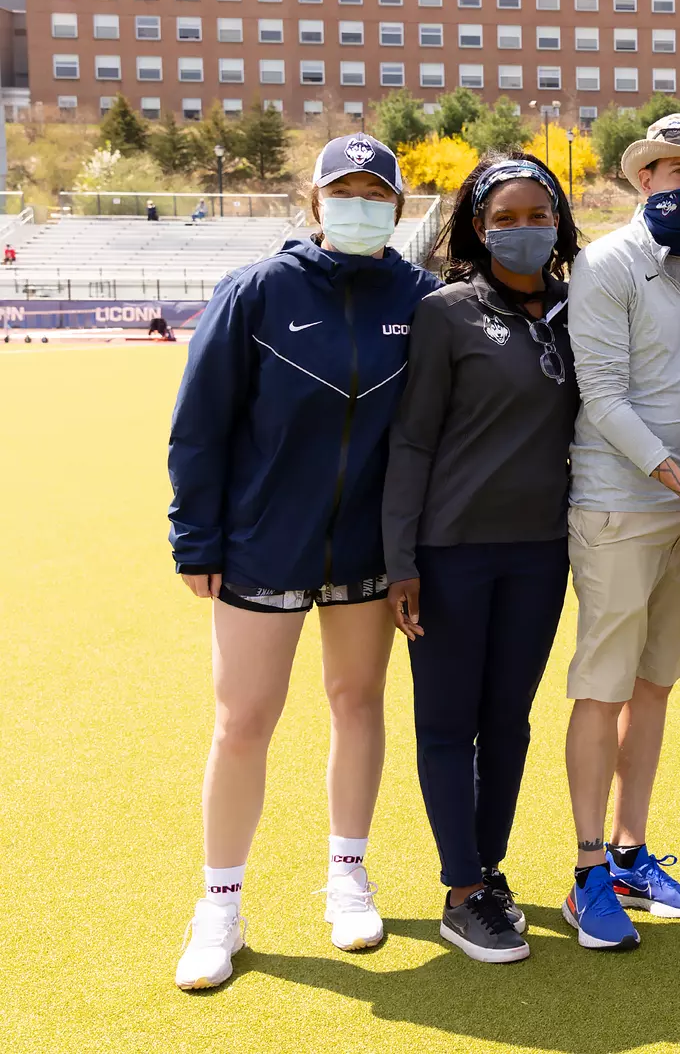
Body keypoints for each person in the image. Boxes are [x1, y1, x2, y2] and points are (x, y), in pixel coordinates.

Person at [167, 133, 441, 991]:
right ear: (315, 200)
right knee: (243, 721)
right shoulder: (255, 291)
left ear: (396, 206)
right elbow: (200, 425)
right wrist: (196, 538)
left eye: (376, 191)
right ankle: (220, 906)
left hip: (366, 549)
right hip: (259, 544)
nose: (359, 203)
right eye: (343, 189)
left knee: (357, 702)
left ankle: (348, 874)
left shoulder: (424, 298)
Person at [383, 154, 581, 964]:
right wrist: (401, 558)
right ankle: (460, 890)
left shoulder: (581, 310)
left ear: (560, 222)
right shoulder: (447, 312)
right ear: (475, 226)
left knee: (509, 721)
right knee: (448, 722)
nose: (524, 228)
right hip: (452, 551)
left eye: (539, 214)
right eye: (505, 217)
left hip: (542, 553)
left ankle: (487, 870)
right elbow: (413, 436)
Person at [561, 113, 680, 950]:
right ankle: (588, 871)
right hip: (620, 505)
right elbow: (602, 400)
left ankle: (633, 855)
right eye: (673, 171)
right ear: (644, 180)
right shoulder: (602, 263)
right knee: (603, 687)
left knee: (657, 683)